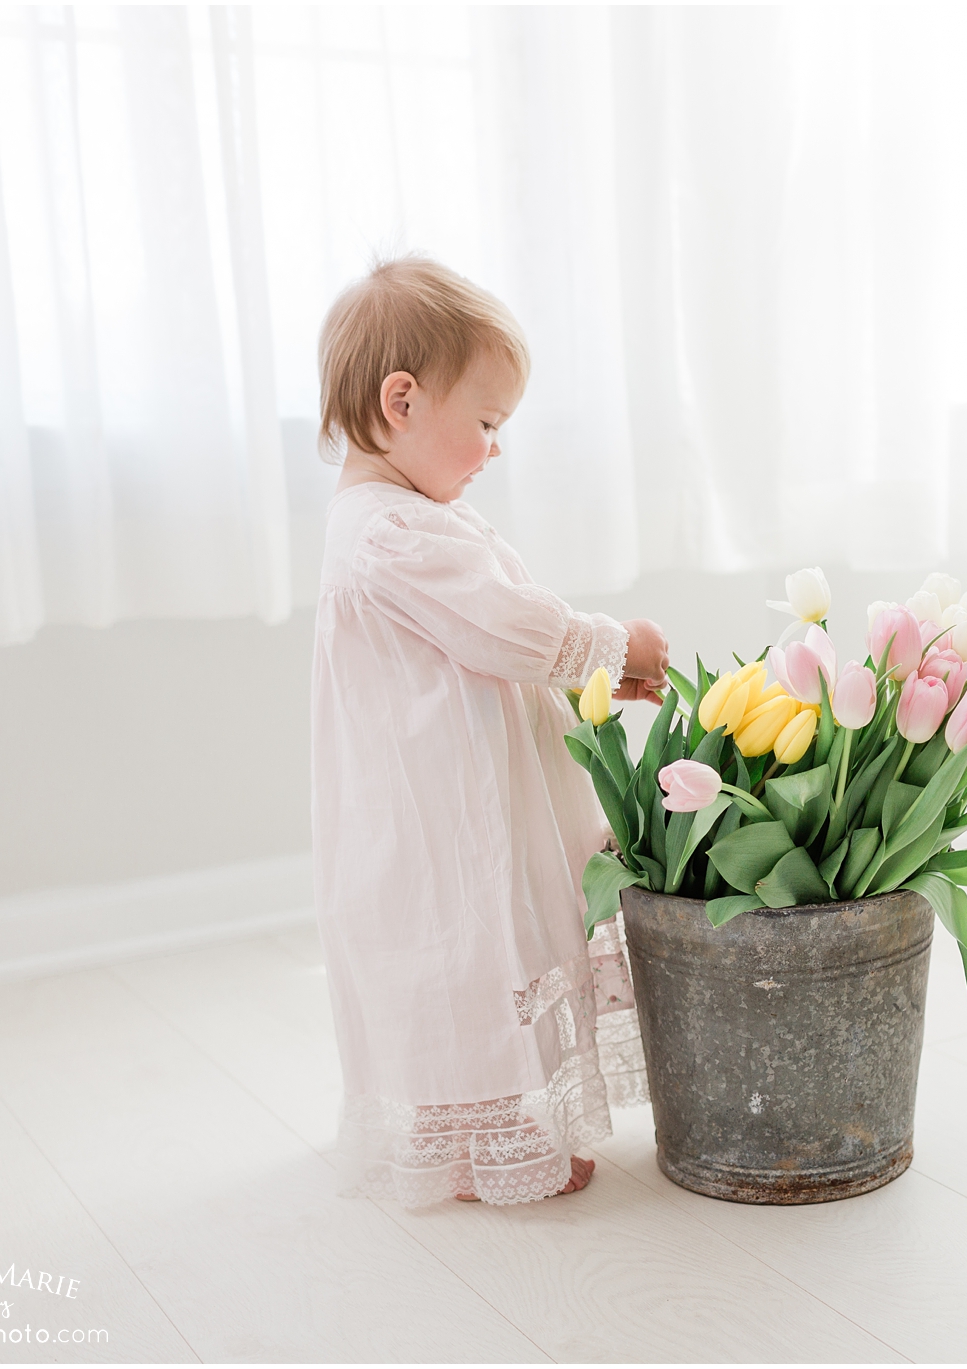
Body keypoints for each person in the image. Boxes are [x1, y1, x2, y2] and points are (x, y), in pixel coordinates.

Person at [311, 255, 668, 1206]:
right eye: (486, 424)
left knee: (458, 955)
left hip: (434, 794)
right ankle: (491, 1141)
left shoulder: (387, 519)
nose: (494, 450)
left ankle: (483, 1134)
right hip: (445, 810)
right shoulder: (394, 533)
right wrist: (610, 642)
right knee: (471, 949)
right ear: (403, 402)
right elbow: (502, 625)